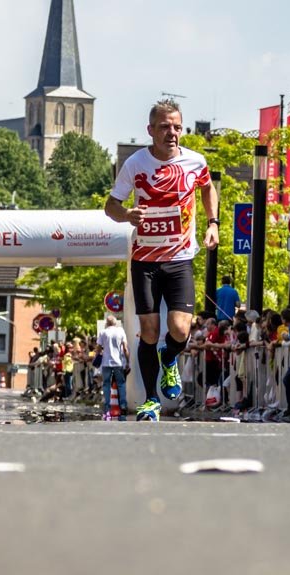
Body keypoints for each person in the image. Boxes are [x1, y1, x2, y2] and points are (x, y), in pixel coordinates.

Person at [104, 99, 218, 422]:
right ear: (150, 130)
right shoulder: (136, 164)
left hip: (180, 257)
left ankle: (170, 359)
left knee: (180, 329)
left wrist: (213, 224)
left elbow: (208, 188)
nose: (172, 133)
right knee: (149, 331)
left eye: (177, 127)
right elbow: (110, 206)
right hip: (145, 260)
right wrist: (127, 214)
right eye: (165, 127)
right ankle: (151, 400)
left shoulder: (195, 162)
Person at [95, 315, 130, 420]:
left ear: (107, 323)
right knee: (121, 384)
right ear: (115, 323)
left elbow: (98, 348)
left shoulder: (103, 332)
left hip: (106, 363)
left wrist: (98, 357)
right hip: (118, 362)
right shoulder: (120, 331)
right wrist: (128, 361)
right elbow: (125, 348)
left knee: (106, 385)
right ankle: (123, 406)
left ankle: (107, 409)